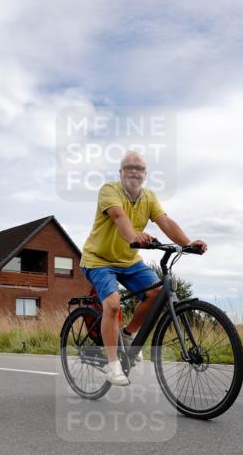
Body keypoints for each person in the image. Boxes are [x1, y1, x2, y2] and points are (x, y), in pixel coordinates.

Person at [79, 151, 207, 386]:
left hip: (129, 261)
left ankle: (127, 335)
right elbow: (119, 217)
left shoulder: (149, 197)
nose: (134, 172)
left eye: (139, 168)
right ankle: (112, 364)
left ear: (145, 174)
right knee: (113, 303)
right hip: (98, 260)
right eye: (129, 167)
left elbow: (165, 222)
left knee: (158, 292)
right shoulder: (109, 190)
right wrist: (135, 237)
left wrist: (187, 244)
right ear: (121, 172)